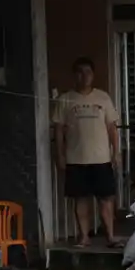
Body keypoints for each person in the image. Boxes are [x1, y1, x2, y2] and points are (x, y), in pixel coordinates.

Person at [53, 57, 120, 248]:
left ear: (93, 75)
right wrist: (60, 155)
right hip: (76, 158)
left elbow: (112, 128)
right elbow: (58, 130)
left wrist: (116, 152)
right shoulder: (65, 99)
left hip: (101, 158)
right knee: (80, 199)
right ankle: (84, 236)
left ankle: (111, 236)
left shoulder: (103, 98)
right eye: (80, 72)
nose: (85, 76)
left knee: (106, 199)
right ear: (75, 75)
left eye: (88, 72)